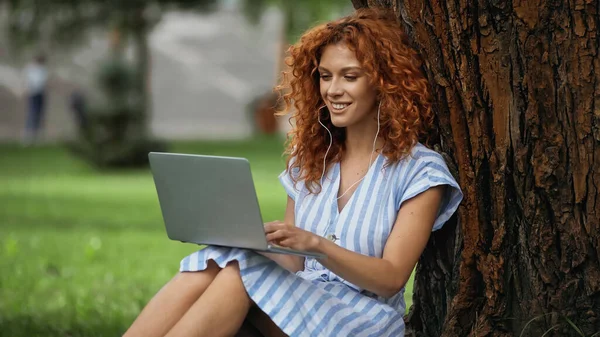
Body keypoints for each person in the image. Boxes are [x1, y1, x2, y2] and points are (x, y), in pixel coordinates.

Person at [124, 8, 463, 337]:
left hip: (361, 319)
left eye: (350, 76)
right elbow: (293, 264)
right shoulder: (312, 161)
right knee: (219, 259)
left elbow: (391, 277)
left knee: (236, 276)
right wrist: (252, 244)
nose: (333, 90)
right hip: (300, 300)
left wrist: (316, 245)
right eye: (325, 76)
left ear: (383, 82)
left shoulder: (419, 170)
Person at [23, 53, 49, 145]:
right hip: (33, 94)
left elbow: (43, 83)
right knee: (32, 113)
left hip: (40, 94)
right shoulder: (32, 69)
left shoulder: (42, 70)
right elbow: (32, 83)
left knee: (39, 114)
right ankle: (29, 136)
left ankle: (37, 136)